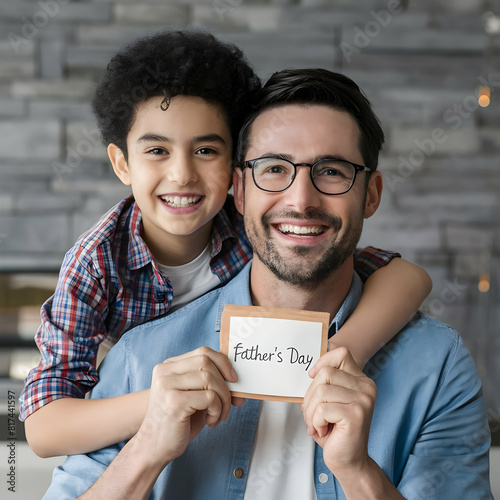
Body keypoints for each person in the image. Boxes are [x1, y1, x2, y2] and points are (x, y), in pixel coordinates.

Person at [43, 67, 492, 499]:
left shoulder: (437, 367)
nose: (301, 200)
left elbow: (406, 276)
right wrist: (145, 451)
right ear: (239, 189)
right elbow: (44, 423)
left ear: (371, 194)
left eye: (332, 170)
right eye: (274, 168)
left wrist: (358, 473)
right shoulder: (139, 359)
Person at [20, 31, 431, 459]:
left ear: (237, 169)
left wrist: (345, 352)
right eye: (157, 150)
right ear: (122, 163)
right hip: (149, 435)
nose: (181, 174)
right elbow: (43, 427)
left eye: (205, 150)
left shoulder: (256, 223)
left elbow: (405, 275)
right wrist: (161, 402)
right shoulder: (96, 264)